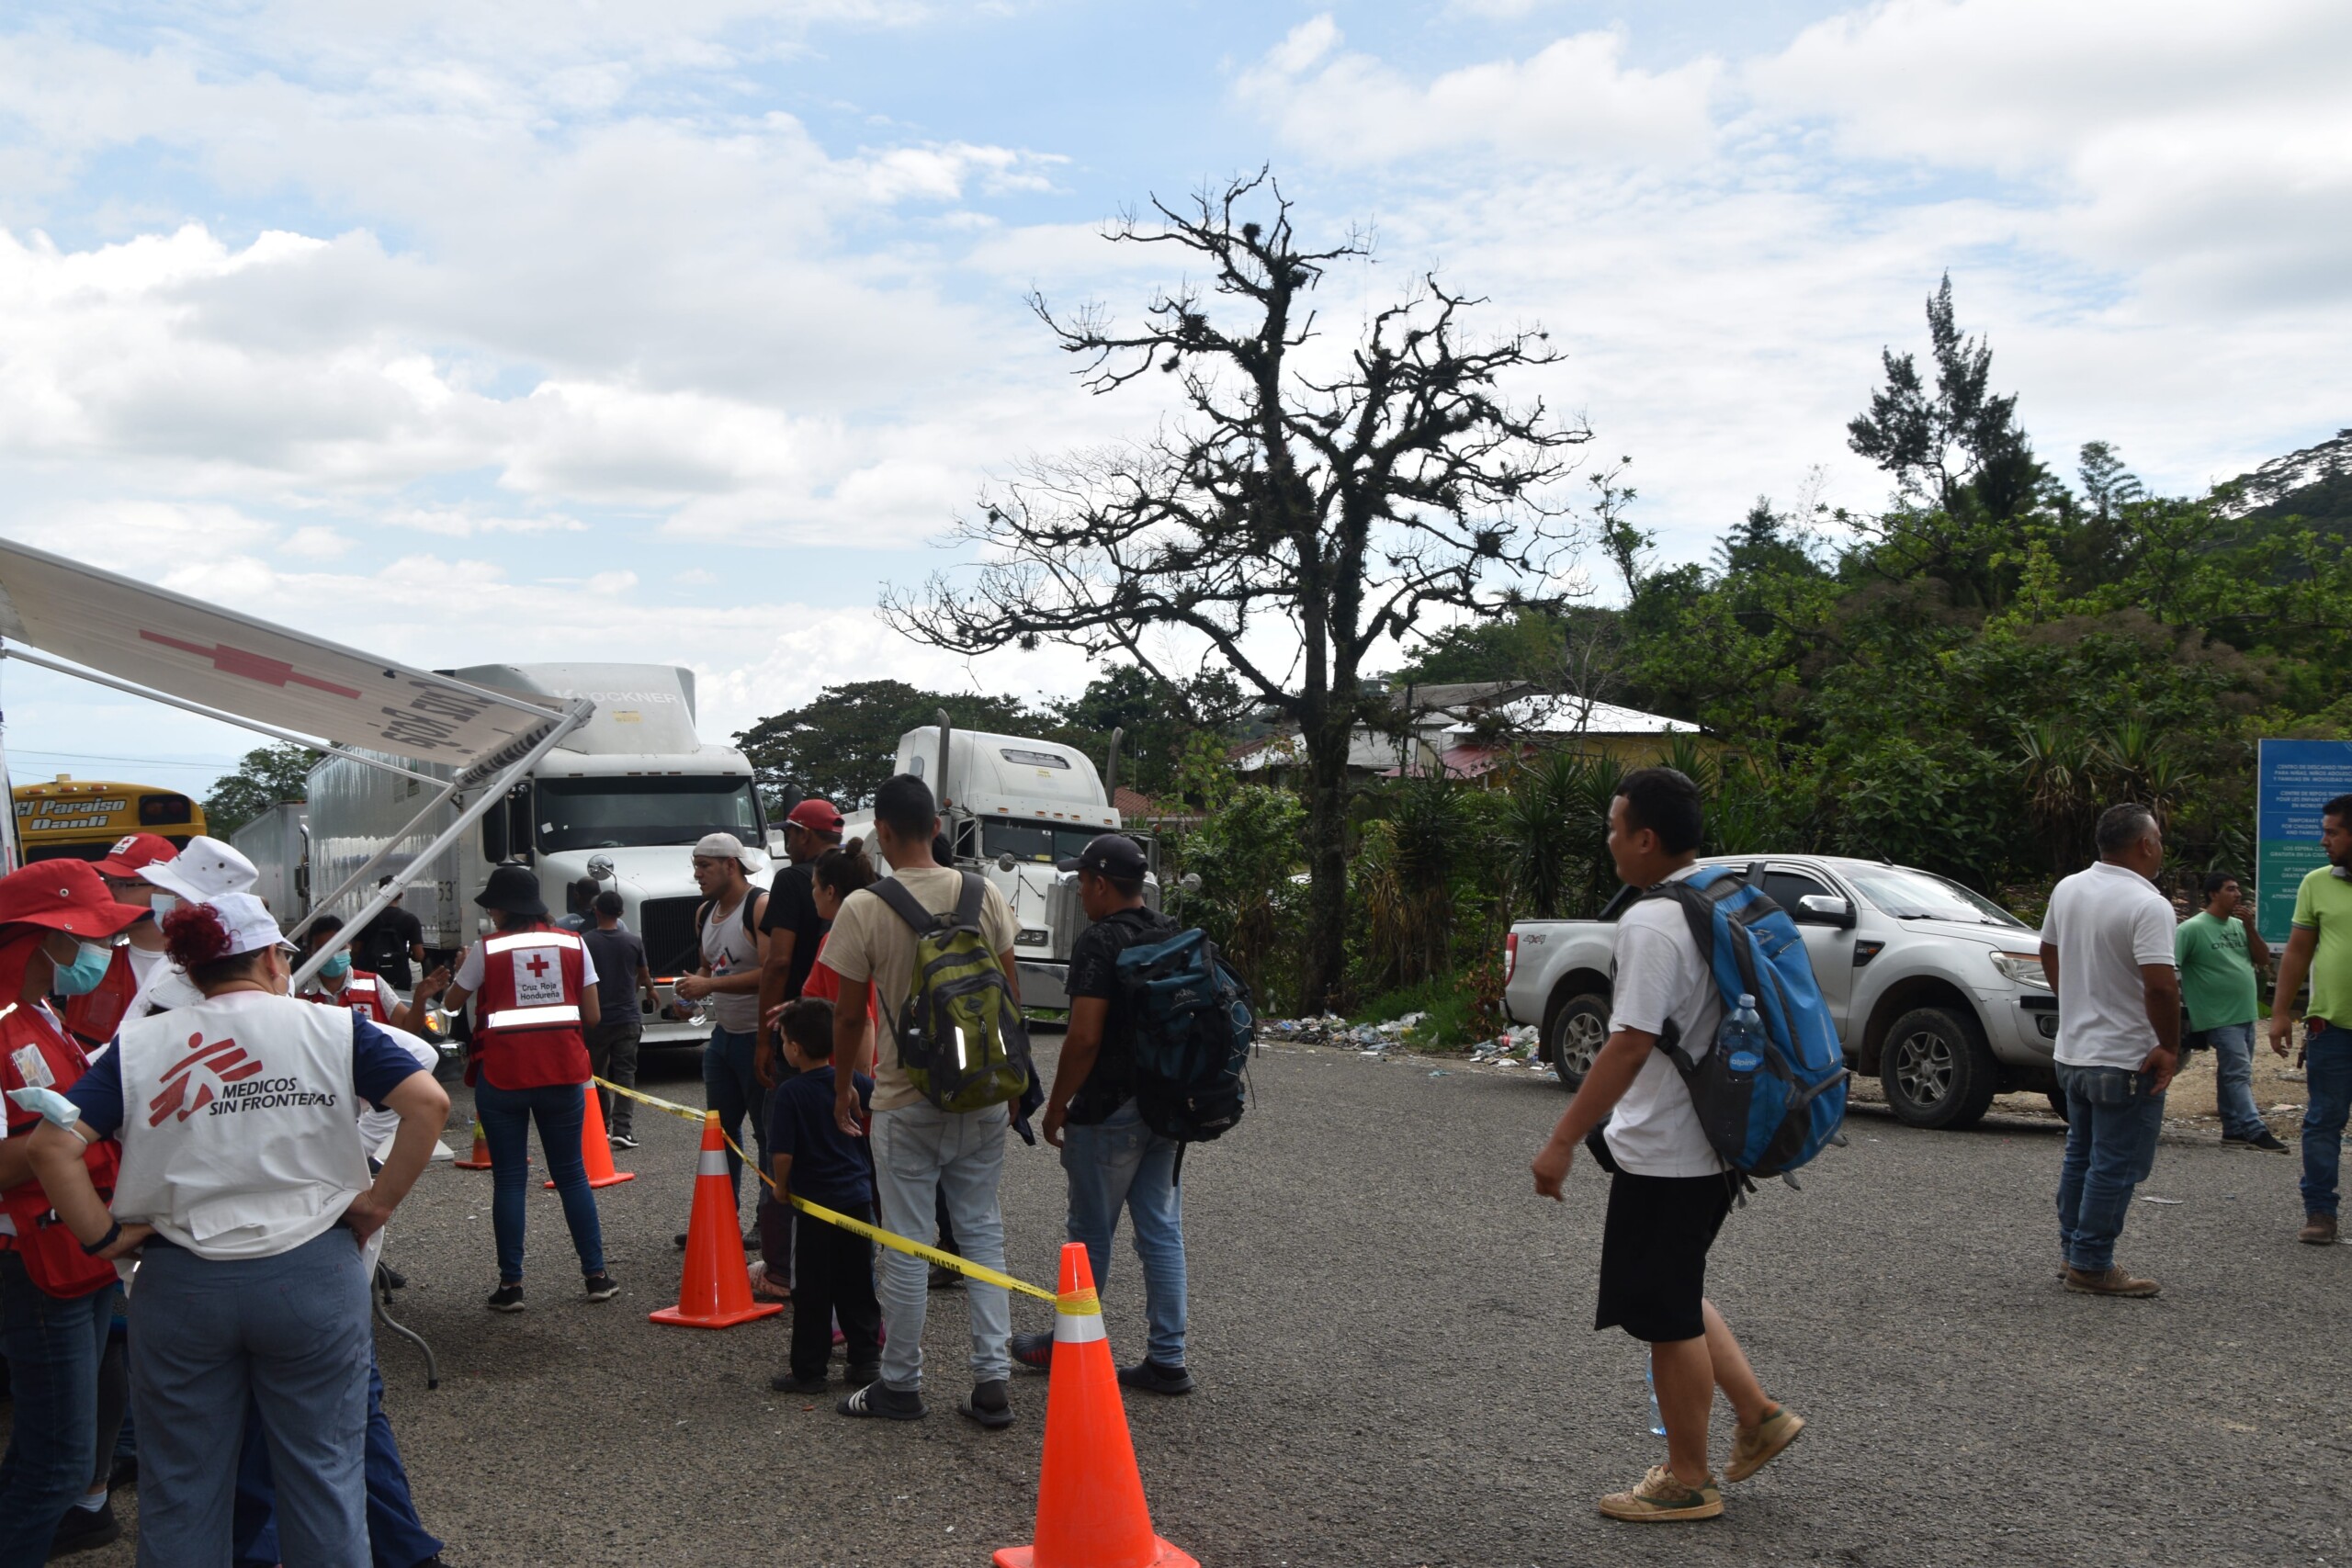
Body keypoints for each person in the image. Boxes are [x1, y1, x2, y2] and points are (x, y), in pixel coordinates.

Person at [25, 891, 449, 1568]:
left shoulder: (139, 1046)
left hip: (181, 1280)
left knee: (183, 1486)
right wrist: (375, 1203)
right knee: (324, 1477)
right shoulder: (328, 1027)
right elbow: (428, 1101)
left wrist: (104, 1237)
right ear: (271, 958)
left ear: (190, 971)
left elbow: (52, 1148)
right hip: (311, 1270)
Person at [1529, 767, 1803, 1524]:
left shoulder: (1653, 921)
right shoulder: (1718, 894)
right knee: (1673, 1283)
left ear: (1646, 838)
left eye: (1616, 828)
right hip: (1716, 1141)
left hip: (1671, 1150)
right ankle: (1758, 1415)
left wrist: (1561, 1139)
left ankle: (1689, 1477)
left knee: (1665, 1311)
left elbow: (1627, 1044)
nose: (1610, 840)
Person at [820, 773, 1022, 1427]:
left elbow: (848, 1019)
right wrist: (1016, 1086)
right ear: (937, 825)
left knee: (906, 1242)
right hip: (984, 1091)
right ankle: (992, 1380)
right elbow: (1011, 999)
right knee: (981, 1232)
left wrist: (843, 1087)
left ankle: (900, 1384)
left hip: (905, 1098)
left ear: (880, 831)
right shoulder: (983, 893)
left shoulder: (864, 906)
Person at [0, 862, 150, 1562]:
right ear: (42, 935)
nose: (104, 952)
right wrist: (63, 1135)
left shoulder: (38, 1012)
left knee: (49, 1445)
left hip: (72, 1252)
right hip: (30, 1262)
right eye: (89, 937)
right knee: (58, 1462)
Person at [1009, 833, 1192, 1393]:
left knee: (1088, 1234)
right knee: (1160, 1229)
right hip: (1166, 1104)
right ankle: (1168, 1357)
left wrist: (1057, 1104)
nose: (1079, 890)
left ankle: (1070, 1341)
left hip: (1110, 1108)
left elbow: (1083, 1037)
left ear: (1103, 884)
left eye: (1083, 881)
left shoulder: (1099, 941)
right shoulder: (1172, 933)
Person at [439, 864, 616, 1312]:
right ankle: (596, 1277)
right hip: (562, 1072)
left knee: (510, 1181)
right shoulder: (574, 943)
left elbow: (451, 1004)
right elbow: (593, 1017)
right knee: (573, 1173)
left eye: (493, 905)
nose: (491, 912)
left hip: (502, 1076)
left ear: (503, 908)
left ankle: (511, 1287)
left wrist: (463, 969)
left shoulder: (487, 949)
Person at [2041, 803, 2182, 1295]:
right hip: (2125, 1057)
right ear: (2144, 845)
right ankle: (2092, 1262)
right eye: (2158, 838)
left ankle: (2072, 1250)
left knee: (2081, 1156)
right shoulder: (2149, 905)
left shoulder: (2069, 888)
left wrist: (2077, 1002)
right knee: (2115, 1164)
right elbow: (2162, 987)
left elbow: (2048, 951)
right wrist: (2169, 1045)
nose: (2160, 846)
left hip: (2074, 1052)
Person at [764, 998, 881, 1394]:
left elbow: (783, 1152)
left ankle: (810, 1370)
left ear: (794, 1047)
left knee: (811, 1288)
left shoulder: (790, 1093)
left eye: (782, 1040)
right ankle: (865, 1358)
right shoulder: (853, 1084)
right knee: (857, 1281)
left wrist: (781, 1187)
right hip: (856, 1198)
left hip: (814, 1205)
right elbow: (879, 1117)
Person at [671, 834, 770, 1244]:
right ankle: (720, 1218)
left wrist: (708, 988)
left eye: (704, 866)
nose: (696, 875)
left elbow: (773, 972)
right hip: (723, 1038)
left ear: (731, 865)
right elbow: (709, 969)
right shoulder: (704, 912)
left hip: (759, 1037)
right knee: (719, 1131)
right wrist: (690, 993)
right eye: (695, 865)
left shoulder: (760, 907)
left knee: (769, 1135)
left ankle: (769, 1225)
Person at [2268, 792, 2352, 1246]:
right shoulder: (2316, 883)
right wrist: (2281, 1013)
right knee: (2323, 1121)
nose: (2324, 841)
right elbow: (2299, 951)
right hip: (2332, 1028)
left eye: (2332, 832)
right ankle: (2320, 1213)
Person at [2177, 872, 2283, 1152]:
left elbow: (2262, 960)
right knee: (2238, 1073)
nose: (2238, 894)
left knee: (2231, 1072)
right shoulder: (2192, 929)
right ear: (2214, 894)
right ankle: (2254, 1129)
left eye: (2237, 889)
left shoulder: (2238, 925)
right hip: (2218, 1015)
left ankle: (2233, 1129)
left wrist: (2249, 927)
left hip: (2245, 1013)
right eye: (2231, 889)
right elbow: (2171, 966)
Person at [62, 832, 178, 1049]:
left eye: (122, 884)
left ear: (164, 890)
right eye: (107, 882)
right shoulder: (91, 968)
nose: (108, 894)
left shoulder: (206, 967)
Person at [581, 891, 655, 1150]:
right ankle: (624, 1130)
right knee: (625, 1075)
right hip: (627, 1018)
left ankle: (600, 1127)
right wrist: (647, 992)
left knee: (596, 1075)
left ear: (596, 912)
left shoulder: (585, 942)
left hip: (595, 1019)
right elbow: (644, 976)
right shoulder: (633, 942)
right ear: (621, 913)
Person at [295, 915, 449, 1034]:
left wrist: (419, 1001)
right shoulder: (298, 991)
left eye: (339, 947)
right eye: (325, 950)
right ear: (310, 953)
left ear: (350, 946)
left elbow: (407, 1026)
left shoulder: (374, 983)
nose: (334, 956)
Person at [354, 878, 426, 993]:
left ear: (380, 892)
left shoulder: (366, 919)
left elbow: (356, 950)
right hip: (399, 977)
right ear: (401, 894)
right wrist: (409, 955)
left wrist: (354, 970)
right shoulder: (410, 920)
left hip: (369, 976)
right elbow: (419, 956)